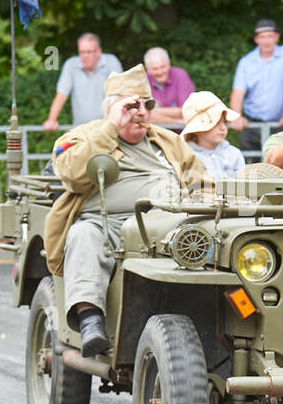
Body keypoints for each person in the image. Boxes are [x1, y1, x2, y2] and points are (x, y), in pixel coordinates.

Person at [44, 65, 205, 355]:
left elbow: (202, 184)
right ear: (112, 107)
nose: (141, 112)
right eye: (131, 105)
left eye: (148, 104)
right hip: (109, 227)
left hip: (171, 227)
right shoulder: (82, 137)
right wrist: (110, 128)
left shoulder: (167, 141)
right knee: (83, 234)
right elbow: (71, 173)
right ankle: (89, 317)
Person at [228, 19, 283, 153]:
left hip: (280, 123)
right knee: (250, 164)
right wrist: (236, 116)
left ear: (277, 37)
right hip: (252, 124)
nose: (266, 41)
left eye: (270, 36)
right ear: (256, 39)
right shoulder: (246, 62)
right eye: (262, 36)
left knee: (281, 164)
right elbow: (238, 92)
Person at [43, 33, 122, 130]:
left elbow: (120, 94)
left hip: (108, 129)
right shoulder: (71, 64)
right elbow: (62, 94)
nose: (85, 56)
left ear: (98, 52)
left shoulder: (111, 62)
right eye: (82, 52)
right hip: (80, 130)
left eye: (89, 52)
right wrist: (52, 119)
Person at [180, 91, 245, 178]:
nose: (223, 128)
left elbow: (243, 184)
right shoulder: (187, 156)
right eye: (215, 123)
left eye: (225, 122)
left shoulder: (234, 153)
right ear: (197, 129)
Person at [143, 47, 195, 122]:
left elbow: (186, 111)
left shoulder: (180, 75)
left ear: (169, 64)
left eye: (162, 67)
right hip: (153, 132)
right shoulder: (143, 80)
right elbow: (142, 115)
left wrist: (153, 111)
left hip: (181, 131)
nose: (159, 72)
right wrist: (176, 121)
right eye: (155, 69)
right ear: (147, 68)